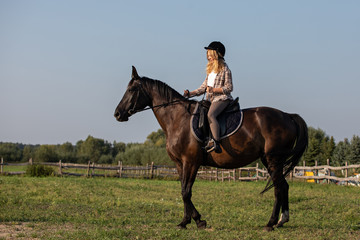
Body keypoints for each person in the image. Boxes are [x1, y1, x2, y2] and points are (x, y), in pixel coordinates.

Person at [184, 41, 233, 153]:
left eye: (210, 54)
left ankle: (216, 142)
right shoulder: (210, 70)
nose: (208, 56)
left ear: (217, 54)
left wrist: (214, 90)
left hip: (222, 99)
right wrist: (190, 94)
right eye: (207, 54)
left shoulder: (225, 69)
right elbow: (203, 88)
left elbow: (229, 87)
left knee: (211, 114)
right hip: (210, 100)